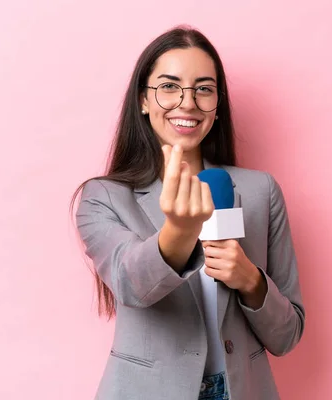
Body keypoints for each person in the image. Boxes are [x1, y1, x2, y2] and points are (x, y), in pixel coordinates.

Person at [72, 25, 305, 400]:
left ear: (217, 104)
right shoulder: (103, 197)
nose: (188, 102)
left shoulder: (261, 192)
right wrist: (179, 231)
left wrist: (250, 280)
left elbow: (288, 335)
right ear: (143, 101)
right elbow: (131, 285)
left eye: (204, 89)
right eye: (168, 86)